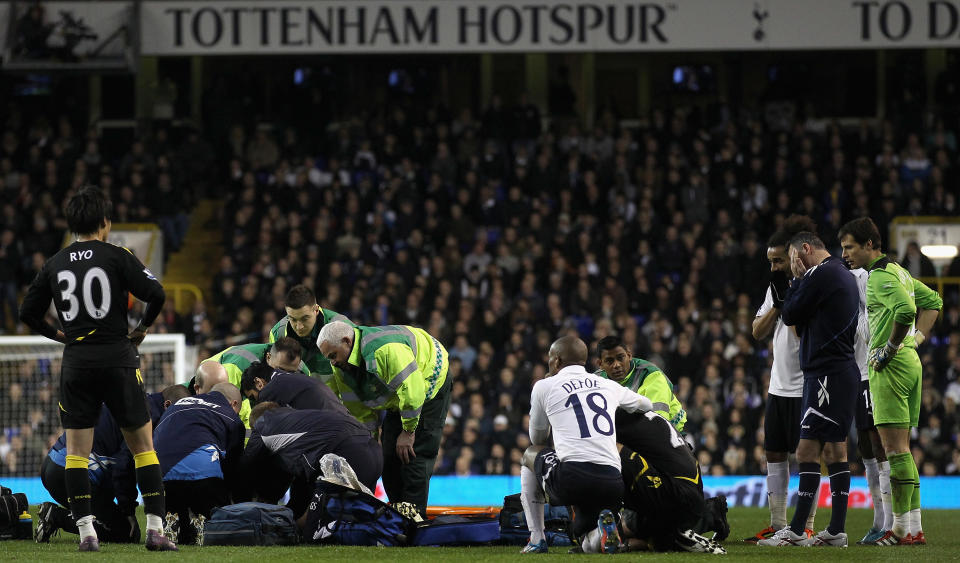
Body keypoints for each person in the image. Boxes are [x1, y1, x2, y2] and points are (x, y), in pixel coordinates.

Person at [18, 185, 176, 551]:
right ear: (105, 222)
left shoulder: (55, 263)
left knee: (77, 452)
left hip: (77, 363)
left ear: (71, 224)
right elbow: (158, 294)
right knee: (142, 447)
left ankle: (87, 534)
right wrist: (143, 328)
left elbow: (27, 312)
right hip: (118, 359)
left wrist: (61, 336)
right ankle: (155, 530)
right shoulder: (117, 255)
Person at [838, 217, 943, 545]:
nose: (846, 254)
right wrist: (917, 340)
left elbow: (905, 310)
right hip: (910, 364)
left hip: (890, 368)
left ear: (870, 244)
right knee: (903, 451)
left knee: (894, 451)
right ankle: (914, 527)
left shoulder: (880, 277)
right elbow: (934, 302)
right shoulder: (899, 271)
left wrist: (892, 346)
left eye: (850, 247)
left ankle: (898, 530)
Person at [759, 232, 860, 547]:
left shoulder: (823, 273)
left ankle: (799, 530)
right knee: (833, 449)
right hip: (833, 373)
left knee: (808, 451)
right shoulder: (834, 275)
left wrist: (797, 281)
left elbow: (790, 313)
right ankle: (835, 531)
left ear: (805, 250)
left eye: (791, 258)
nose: (791, 265)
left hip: (827, 374)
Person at [519, 336, 651, 555]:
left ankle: (536, 539)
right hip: (612, 482)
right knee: (585, 543)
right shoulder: (607, 385)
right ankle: (604, 531)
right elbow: (645, 404)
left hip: (573, 478)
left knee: (529, 455)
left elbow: (537, 440)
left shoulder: (544, 386)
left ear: (557, 361)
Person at [317, 320, 450, 517]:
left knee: (413, 456)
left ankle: (413, 521)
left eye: (333, 355)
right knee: (388, 457)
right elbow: (358, 408)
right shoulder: (341, 367)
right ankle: (396, 517)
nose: (332, 362)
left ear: (346, 341)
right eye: (328, 358)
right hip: (400, 394)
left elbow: (413, 393)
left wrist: (408, 432)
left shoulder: (385, 351)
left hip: (429, 378)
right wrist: (369, 441)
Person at [746, 215, 818, 543]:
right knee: (774, 453)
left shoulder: (813, 284)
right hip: (778, 385)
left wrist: (790, 302)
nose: (774, 266)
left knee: (807, 456)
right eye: (770, 261)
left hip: (806, 384)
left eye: (778, 260)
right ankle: (777, 523)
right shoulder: (774, 287)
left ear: (793, 256)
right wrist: (776, 304)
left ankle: (808, 524)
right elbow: (757, 332)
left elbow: (805, 333)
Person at [241, 401, 382, 519]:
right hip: (374, 451)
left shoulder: (264, 423)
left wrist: (238, 506)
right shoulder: (305, 421)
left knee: (316, 531)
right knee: (358, 520)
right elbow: (302, 480)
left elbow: (247, 466)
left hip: (345, 452)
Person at [615, 410, 726, 554]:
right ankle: (702, 519)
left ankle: (676, 536)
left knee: (612, 450)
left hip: (676, 496)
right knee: (627, 528)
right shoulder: (638, 412)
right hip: (687, 492)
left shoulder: (614, 418)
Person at [153, 383, 245, 545]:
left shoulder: (178, 404)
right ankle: (202, 521)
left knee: (179, 520)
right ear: (234, 404)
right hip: (203, 476)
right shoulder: (230, 416)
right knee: (217, 515)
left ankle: (173, 520)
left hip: (161, 476)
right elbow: (232, 467)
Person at [35, 407, 139, 544]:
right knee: (125, 533)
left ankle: (59, 516)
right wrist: (128, 510)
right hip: (70, 474)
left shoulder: (108, 403)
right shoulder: (141, 415)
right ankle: (56, 516)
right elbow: (122, 468)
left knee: (109, 510)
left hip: (52, 462)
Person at [848, 256, 891, 544]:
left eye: (849, 246)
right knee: (864, 446)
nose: (846, 252)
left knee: (879, 443)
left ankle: (891, 521)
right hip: (852, 374)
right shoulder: (839, 278)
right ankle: (878, 520)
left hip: (870, 372)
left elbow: (868, 328)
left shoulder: (864, 278)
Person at [193, 337, 307, 426]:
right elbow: (234, 409)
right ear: (268, 358)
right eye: (280, 370)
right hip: (204, 386)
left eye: (290, 373)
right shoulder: (237, 368)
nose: (284, 376)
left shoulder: (301, 370)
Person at [594, 335, 687, 431]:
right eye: (610, 361)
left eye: (620, 358)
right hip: (631, 435)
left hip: (672, 435)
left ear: (629, 356)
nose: (616, 365)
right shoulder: (595, 380)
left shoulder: (651, 375)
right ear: (600, 364)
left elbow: (658, 424)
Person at [269, 284, 354, 378]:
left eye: (305, 318)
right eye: (293, 319)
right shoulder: (278, 334)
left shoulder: (342, 327)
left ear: (316, 310)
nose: (299, 326)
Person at [239, 361, 351, 416]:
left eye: (253, 397)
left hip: (333, 432)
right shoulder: (290, 377)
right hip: (347, 421)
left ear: (259, 383)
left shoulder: (268, 392)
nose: (256, 402)